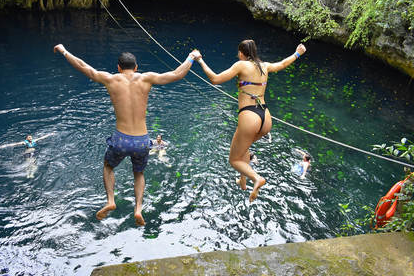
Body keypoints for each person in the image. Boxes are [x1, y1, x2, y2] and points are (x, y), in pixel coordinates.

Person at [54, 44, 196, 226]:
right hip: (142, 141)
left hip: (121, 139)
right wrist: (192, 56)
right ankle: (138, 209)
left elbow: (83, 67)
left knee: (108, 166)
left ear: (118, 68)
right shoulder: (147, 78)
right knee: (139, 173)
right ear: (136, 67)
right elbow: (177, 74)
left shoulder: (111, 79)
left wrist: (65, 50)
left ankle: (110, 200)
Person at [193, 40, 306, 201]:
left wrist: (200, 60)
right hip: (265, 117)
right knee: (244, 147)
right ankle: (243, 180)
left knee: (234, 159)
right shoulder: (264, 65)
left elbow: (215, 79)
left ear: (242, 53)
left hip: (249, 116)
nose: (238, 55)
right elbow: (282, 64)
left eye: (238, 53)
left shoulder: (241, 65)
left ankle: (256, 178)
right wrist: (297, 53)